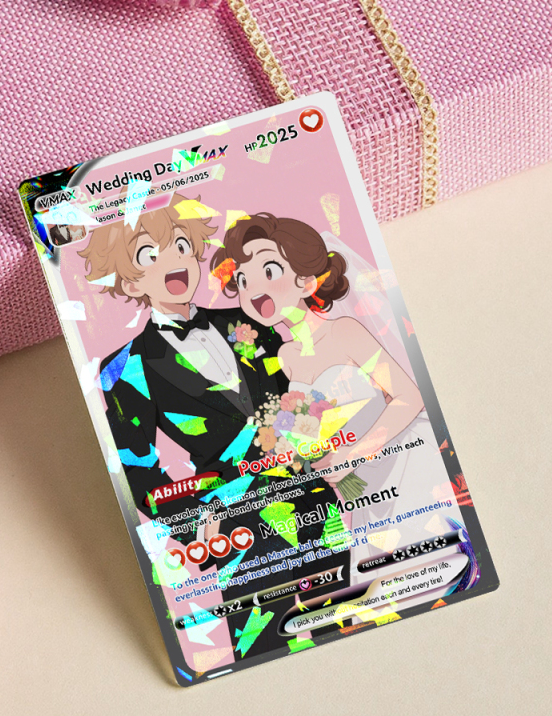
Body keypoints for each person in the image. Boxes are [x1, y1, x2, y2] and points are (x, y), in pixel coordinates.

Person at [81, 195, 348, 661]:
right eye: (149, 254)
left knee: (344, 627)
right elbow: (137, 468)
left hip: (311, 503)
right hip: (234, 528)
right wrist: (194, 525)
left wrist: (315, 448)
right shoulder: (123, 368)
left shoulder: (250, 320)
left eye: (181, 245)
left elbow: (295, 397)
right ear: (129, 279)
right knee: (265, 649)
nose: (173, 261)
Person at [212, 212, 459, 585]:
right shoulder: (285, 357)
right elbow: (309, 426)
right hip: (362, 489)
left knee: (432, 565)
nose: (254, 289)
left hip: (405, 463)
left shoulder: (345, 332)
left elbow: (409, 396)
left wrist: (352, 454)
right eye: (243, 280)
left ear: (307, 281)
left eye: (269, 270)